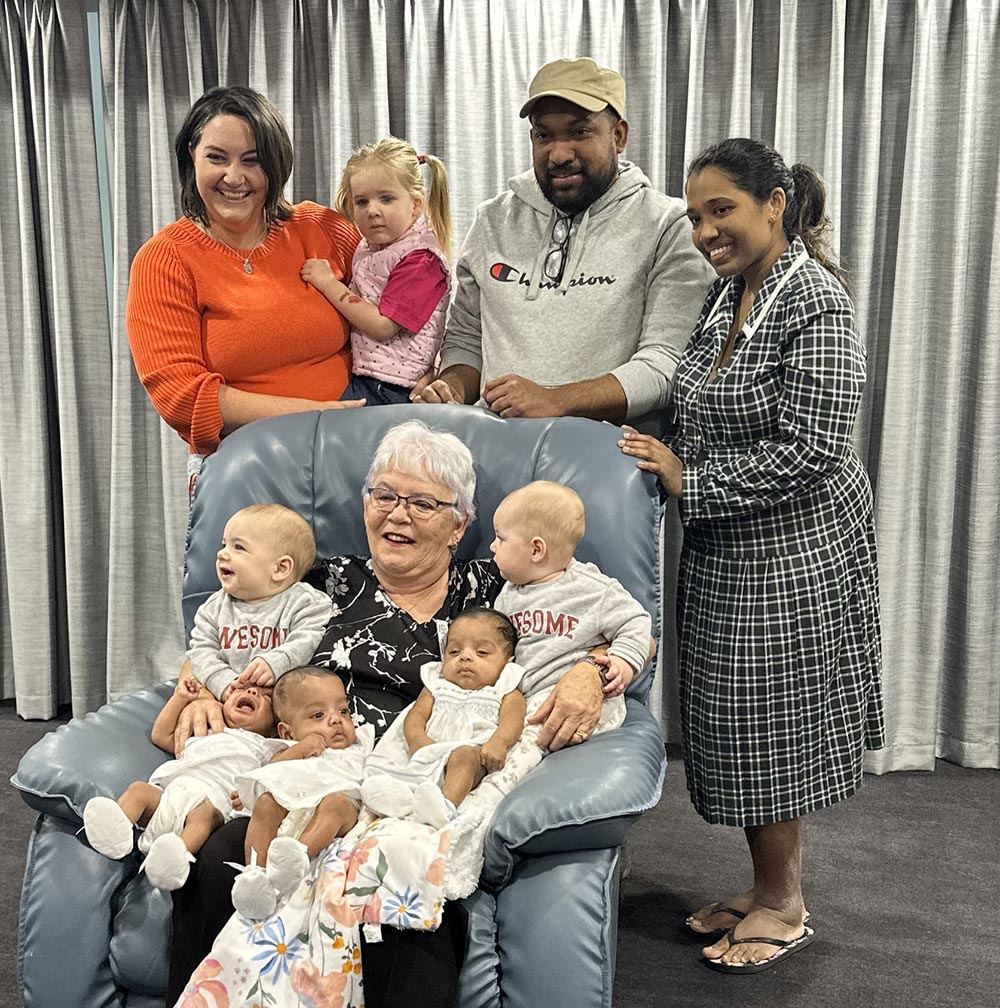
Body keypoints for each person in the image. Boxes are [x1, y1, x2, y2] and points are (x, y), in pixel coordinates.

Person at [165, 420, 607, 1007]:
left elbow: (597, 617)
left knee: (402, 901)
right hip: (308, 770)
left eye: (423, 503)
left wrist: (592, 670)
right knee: (224, 862)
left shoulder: (496, 592)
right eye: (385, 496)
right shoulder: (319, 583)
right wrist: (197, 690)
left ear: (459, 526)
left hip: (416, 789)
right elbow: (225, 636)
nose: (398, 515)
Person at [620, 138, 884, 973]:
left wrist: (688, 477)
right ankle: (769, 882)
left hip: (798, 547)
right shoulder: (732, 294)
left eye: (721, 210)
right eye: (696, 216)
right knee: (737, 722)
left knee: (771, 721)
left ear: (775, 203)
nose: (704, 231)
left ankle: (784, 902)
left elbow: (813, 447)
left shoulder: (815, 302)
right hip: (729, 546)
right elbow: (695, 398)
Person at [413, 57, 714, 426]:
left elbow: (665, 366)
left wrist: (557, 401)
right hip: (493, 445)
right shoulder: (492, 220)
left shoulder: (668, 226)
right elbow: (466, 341)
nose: (558, 153)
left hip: (609, 455)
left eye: (579, 132)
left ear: (618, 136)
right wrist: (452, 387)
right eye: (544, 135)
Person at [126, 85, 363, 492]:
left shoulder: (321, 227)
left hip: (349, 454)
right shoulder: (164, 259)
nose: (233, 178)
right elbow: (182, 397)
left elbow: (396, 303)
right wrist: (316, 414)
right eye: (216, 158)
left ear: (275, 167)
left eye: (252, 161)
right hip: (247, 470)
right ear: (191, 158)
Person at [82, 672, 282, 891]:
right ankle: (115, 831)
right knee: (139, 791)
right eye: (242, 689)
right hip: (171, 794)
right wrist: (180, 698)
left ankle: (174, 858)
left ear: (276, 726)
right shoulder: (206, 728)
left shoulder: (265, 748)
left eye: (267, 697)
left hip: (212, 802)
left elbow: (274, 775)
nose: (252, 692)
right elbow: (161, 735)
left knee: (203, 816)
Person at [490, 481, 651, 744]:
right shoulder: (508, 594)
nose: (492, 547)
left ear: (536, 550)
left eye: (501, 538)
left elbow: (636, 621)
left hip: (579, 701)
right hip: (528, 698)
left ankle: (497, 784)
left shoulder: (592, 588)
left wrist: (623, 660)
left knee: (523, 746)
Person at [301, 137, 452, 406]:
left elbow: (383, 326)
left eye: (386, 199)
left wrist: (328, 284)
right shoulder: (372, 247)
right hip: (371, 377)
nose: (372, 211)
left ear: (416, 204)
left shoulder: (421, 260)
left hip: (392, 388)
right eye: (361, 202)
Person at [230, 668, 375, 920]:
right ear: (288, 732)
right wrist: (299, 749)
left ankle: (295, 857)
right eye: (318, 715)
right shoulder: (288, 748)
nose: (336, 720)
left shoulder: (359, 745)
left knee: (335, 803)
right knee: (266, 803)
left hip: (340, 813)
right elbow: (267, 776)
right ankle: (257, 878)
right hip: (294, 808)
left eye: (343, 711)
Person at [361, 608, 526, 827]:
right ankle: (404, 802)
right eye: (454, 651)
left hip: (470, 754)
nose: (465, 657)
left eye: (482, 652)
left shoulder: (505, 692)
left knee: (465, 757)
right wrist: (417, 740)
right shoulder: (437, 685)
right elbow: (416, 715)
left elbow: (512, 723)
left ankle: (444, 806)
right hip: (427, 754)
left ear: (507, 662)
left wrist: (499, 743)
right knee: (381, 781)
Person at [187, 503, 334, 699]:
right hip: (231, 703)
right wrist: (225, 684)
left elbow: (311, 638)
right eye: (224, 545)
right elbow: (201, 652)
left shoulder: (306, 602)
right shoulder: (213, 609)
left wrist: (276, 662)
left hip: (286, 707)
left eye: (238, 547)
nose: (221, 554)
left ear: (281, 568)